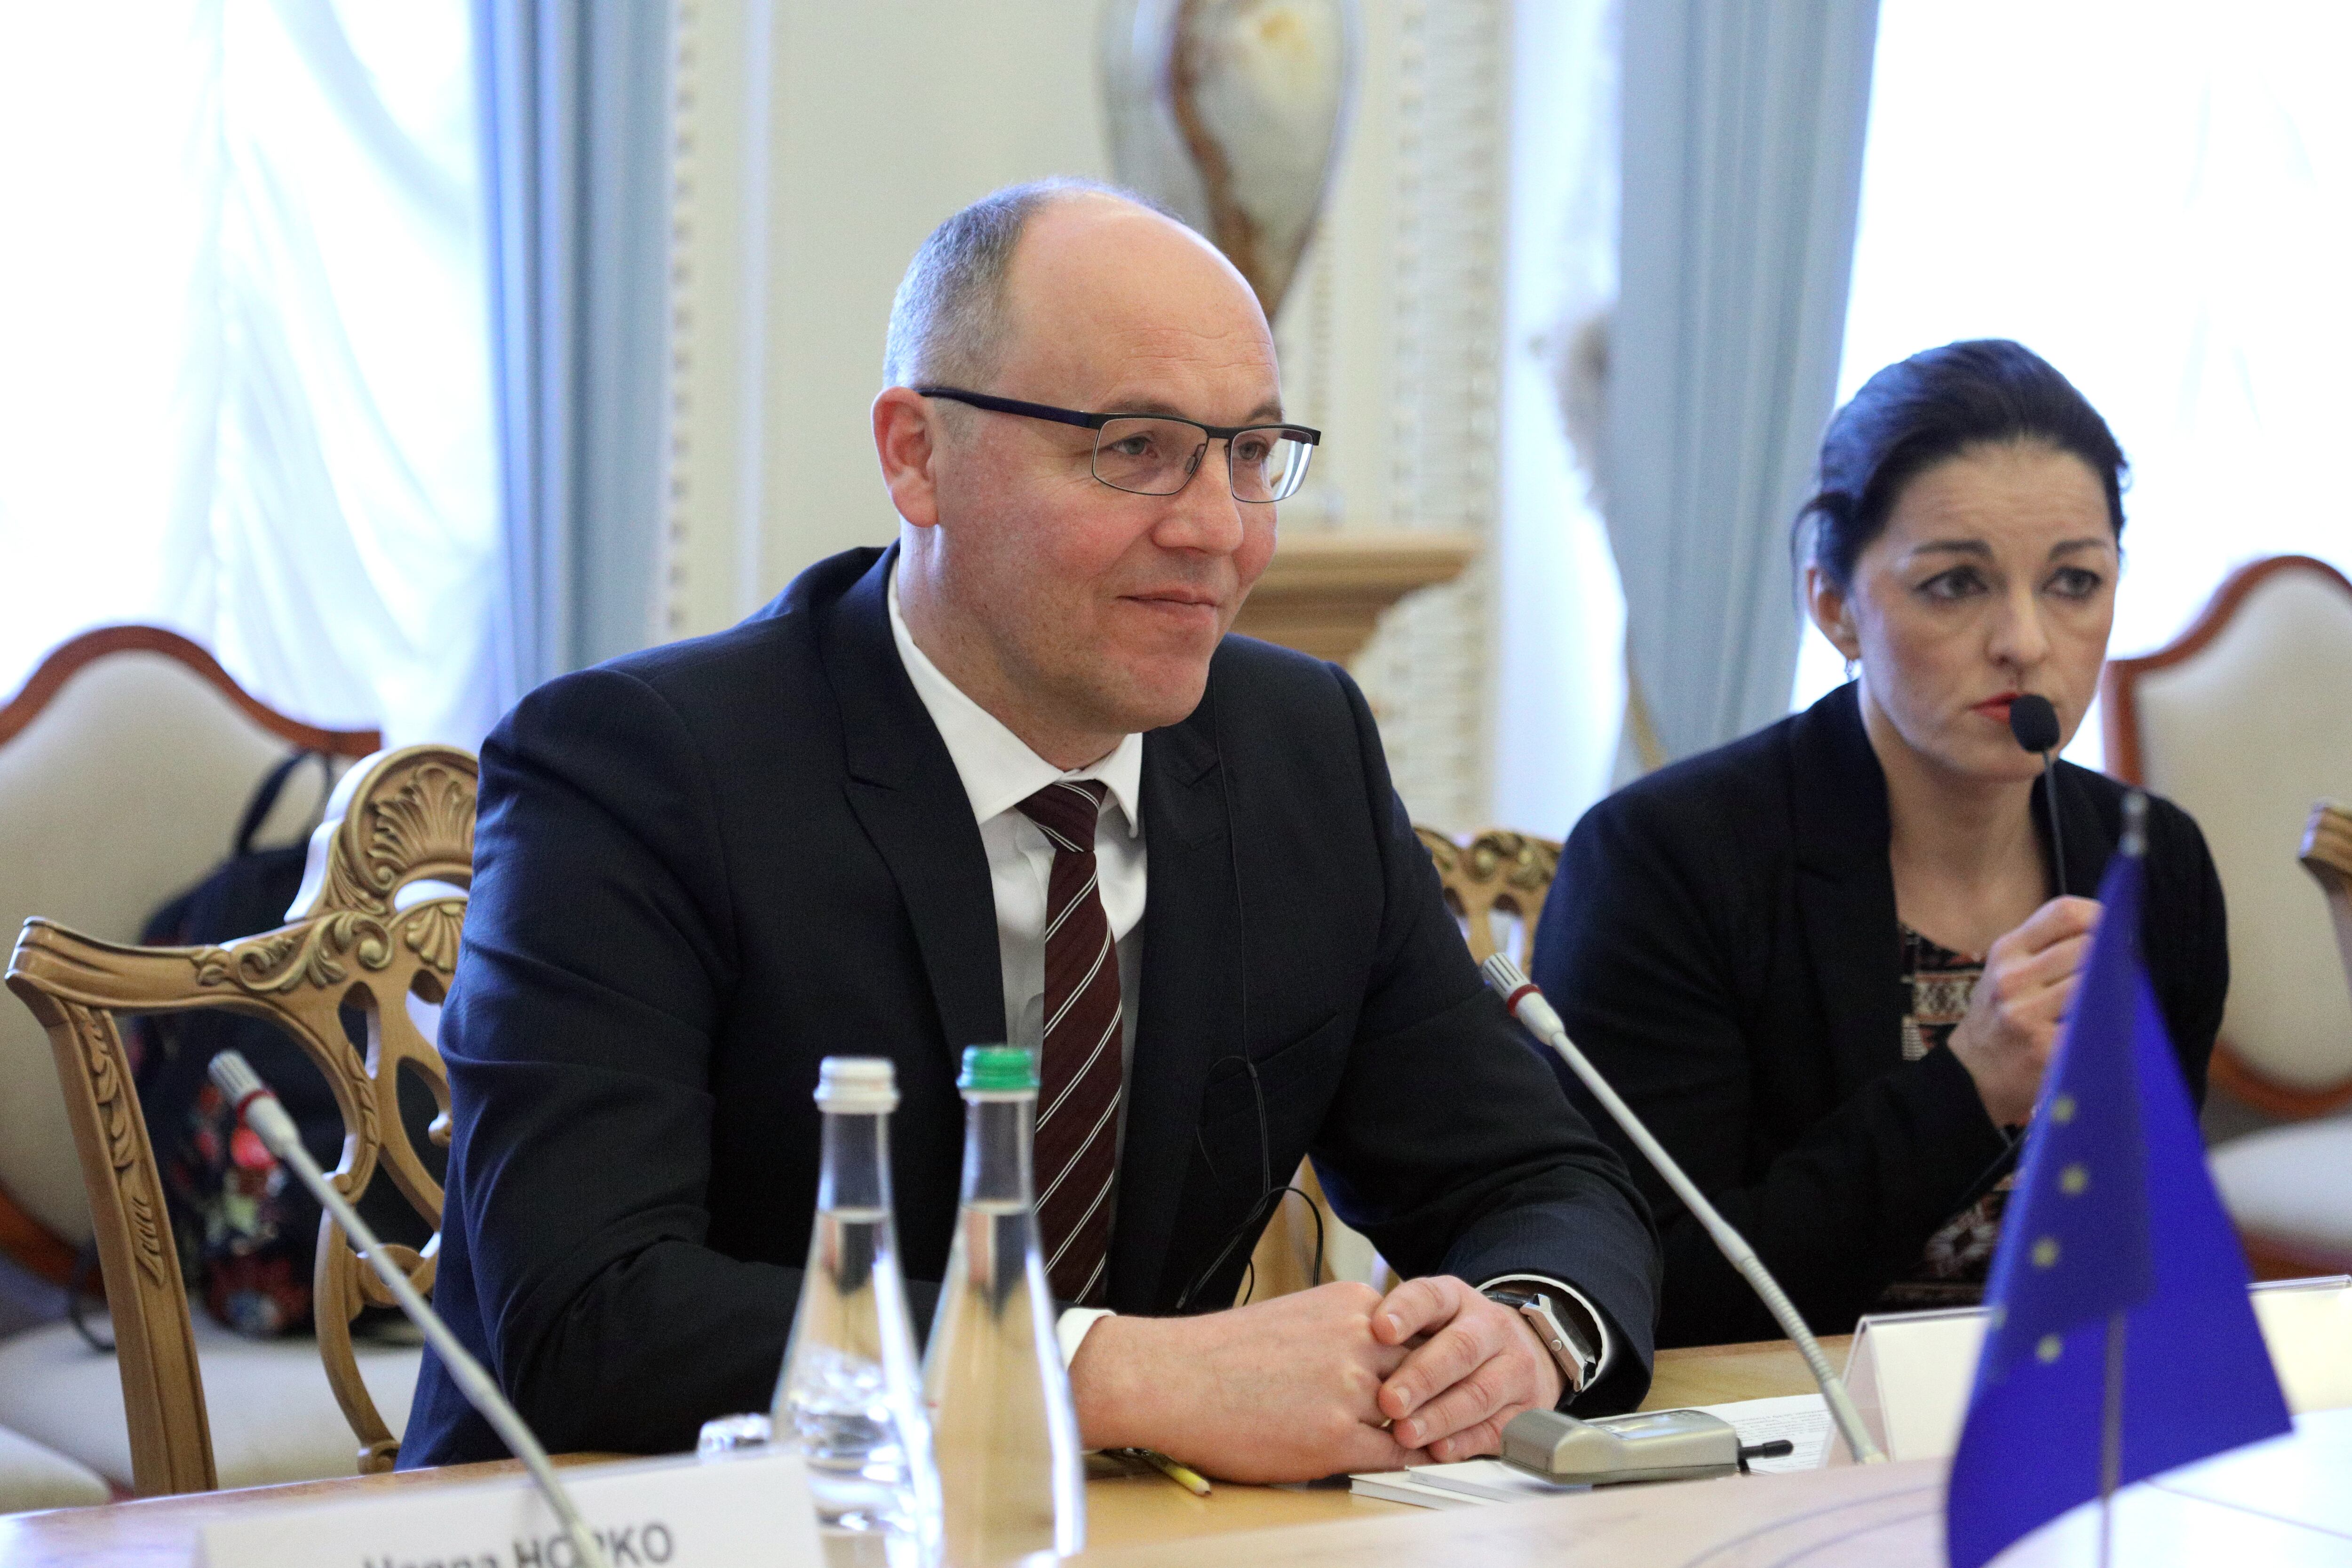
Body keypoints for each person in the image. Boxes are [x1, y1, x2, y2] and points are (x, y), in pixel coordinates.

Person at [402, 180, 1659, 1481]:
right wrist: (1112, 1371)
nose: (1216, 529)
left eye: (1249, 453)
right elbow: (591, 1310)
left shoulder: (1300, 747)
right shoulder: (640, 766)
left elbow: (1537, 1178)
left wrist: (1527, 1332)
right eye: (1135, 447)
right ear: (917, 456)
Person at [1530, 339, 2225, 1348]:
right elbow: (1648, 1286)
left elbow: (2143, 1251)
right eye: (1955, 584)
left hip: (2058, 1413)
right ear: (1834, 605)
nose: (2025, 642)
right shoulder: (1665, 861)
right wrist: (1969, 1086)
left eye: (2074, 581)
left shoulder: (2152, 861)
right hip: (1776, 1420)